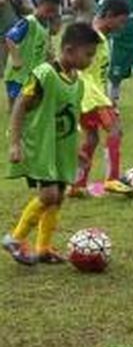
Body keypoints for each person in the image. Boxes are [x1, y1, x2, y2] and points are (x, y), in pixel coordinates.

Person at [3, 23, 101, 264]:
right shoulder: (44, 74)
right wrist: (15, 143)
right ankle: (14, 239)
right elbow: (20, 106)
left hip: (62, 149)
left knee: (59, 197)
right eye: (88, 54)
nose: (90, 60)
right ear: (68, 50)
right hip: (41, 146)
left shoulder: (77, 82)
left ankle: (43, 248)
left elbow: (71, 116)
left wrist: (77, 148)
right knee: (48, 195)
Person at [68, 0, 132, 198]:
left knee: (92, 138)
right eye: (120, 22)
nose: (122, 27)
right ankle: (112, 179)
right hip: (90, 94)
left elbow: (98, 72)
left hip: (91, 94)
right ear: (109, 15)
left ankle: (78, 184)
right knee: (115, 130)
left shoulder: (101, 37)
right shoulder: (94, 37)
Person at [5, 0, 60, 111]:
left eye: (54, 12)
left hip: (32, 73)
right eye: (48, 10)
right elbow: (10, 38)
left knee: (29, 105)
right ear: (39, 5)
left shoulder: (46, 25)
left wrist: (51, 57)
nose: (51, 14)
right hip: (18, 74)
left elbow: (44, 45)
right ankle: (12, 127)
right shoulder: (28, 22)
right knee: (16, 106)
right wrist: (16, 59)